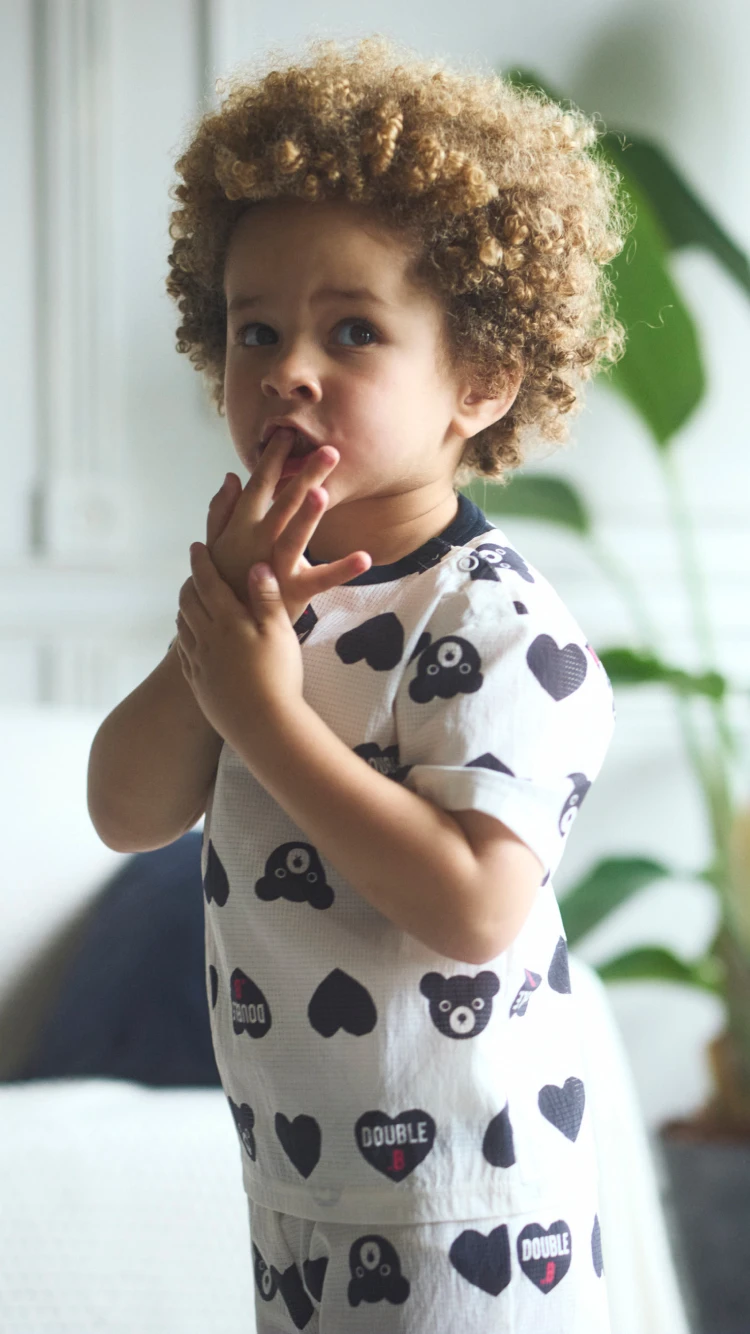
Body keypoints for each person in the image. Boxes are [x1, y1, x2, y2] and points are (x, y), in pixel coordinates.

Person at [88, 33, 630, 1333]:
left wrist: (265, 716)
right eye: (254, 329)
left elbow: (472, 907)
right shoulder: (263, 601)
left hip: (475, 1210)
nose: (287, 367)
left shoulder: (499, 627)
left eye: (352, 331)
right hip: (304, 1193)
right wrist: (217, 638)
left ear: (479, 380)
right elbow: (124, 810)